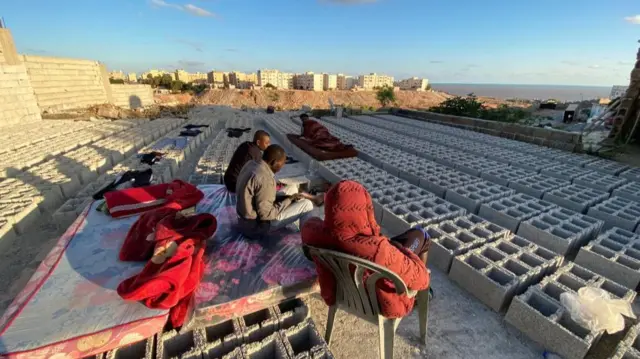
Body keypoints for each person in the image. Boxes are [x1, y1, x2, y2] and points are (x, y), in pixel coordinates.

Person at [301, 180, 430, 318]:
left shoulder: (314, 233)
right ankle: (422, 296)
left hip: (341, 294)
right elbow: (423, 278)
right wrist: (397, 248)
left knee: (412, 236)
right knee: (422, 236)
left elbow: (311, 223)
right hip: (382, 303)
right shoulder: (380, 250)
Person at [236, 144, 315, 239]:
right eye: (281, 164)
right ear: (274, 162)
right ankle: (308, 241)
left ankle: (291, 216)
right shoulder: (265, 179)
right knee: (307, 204)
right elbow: (266, 215)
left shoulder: (251, 164)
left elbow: (259, 194)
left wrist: (289, 198)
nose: (281, 168)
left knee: (292, 188)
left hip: (244, 218)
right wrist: (288, 200)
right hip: (256, 227)